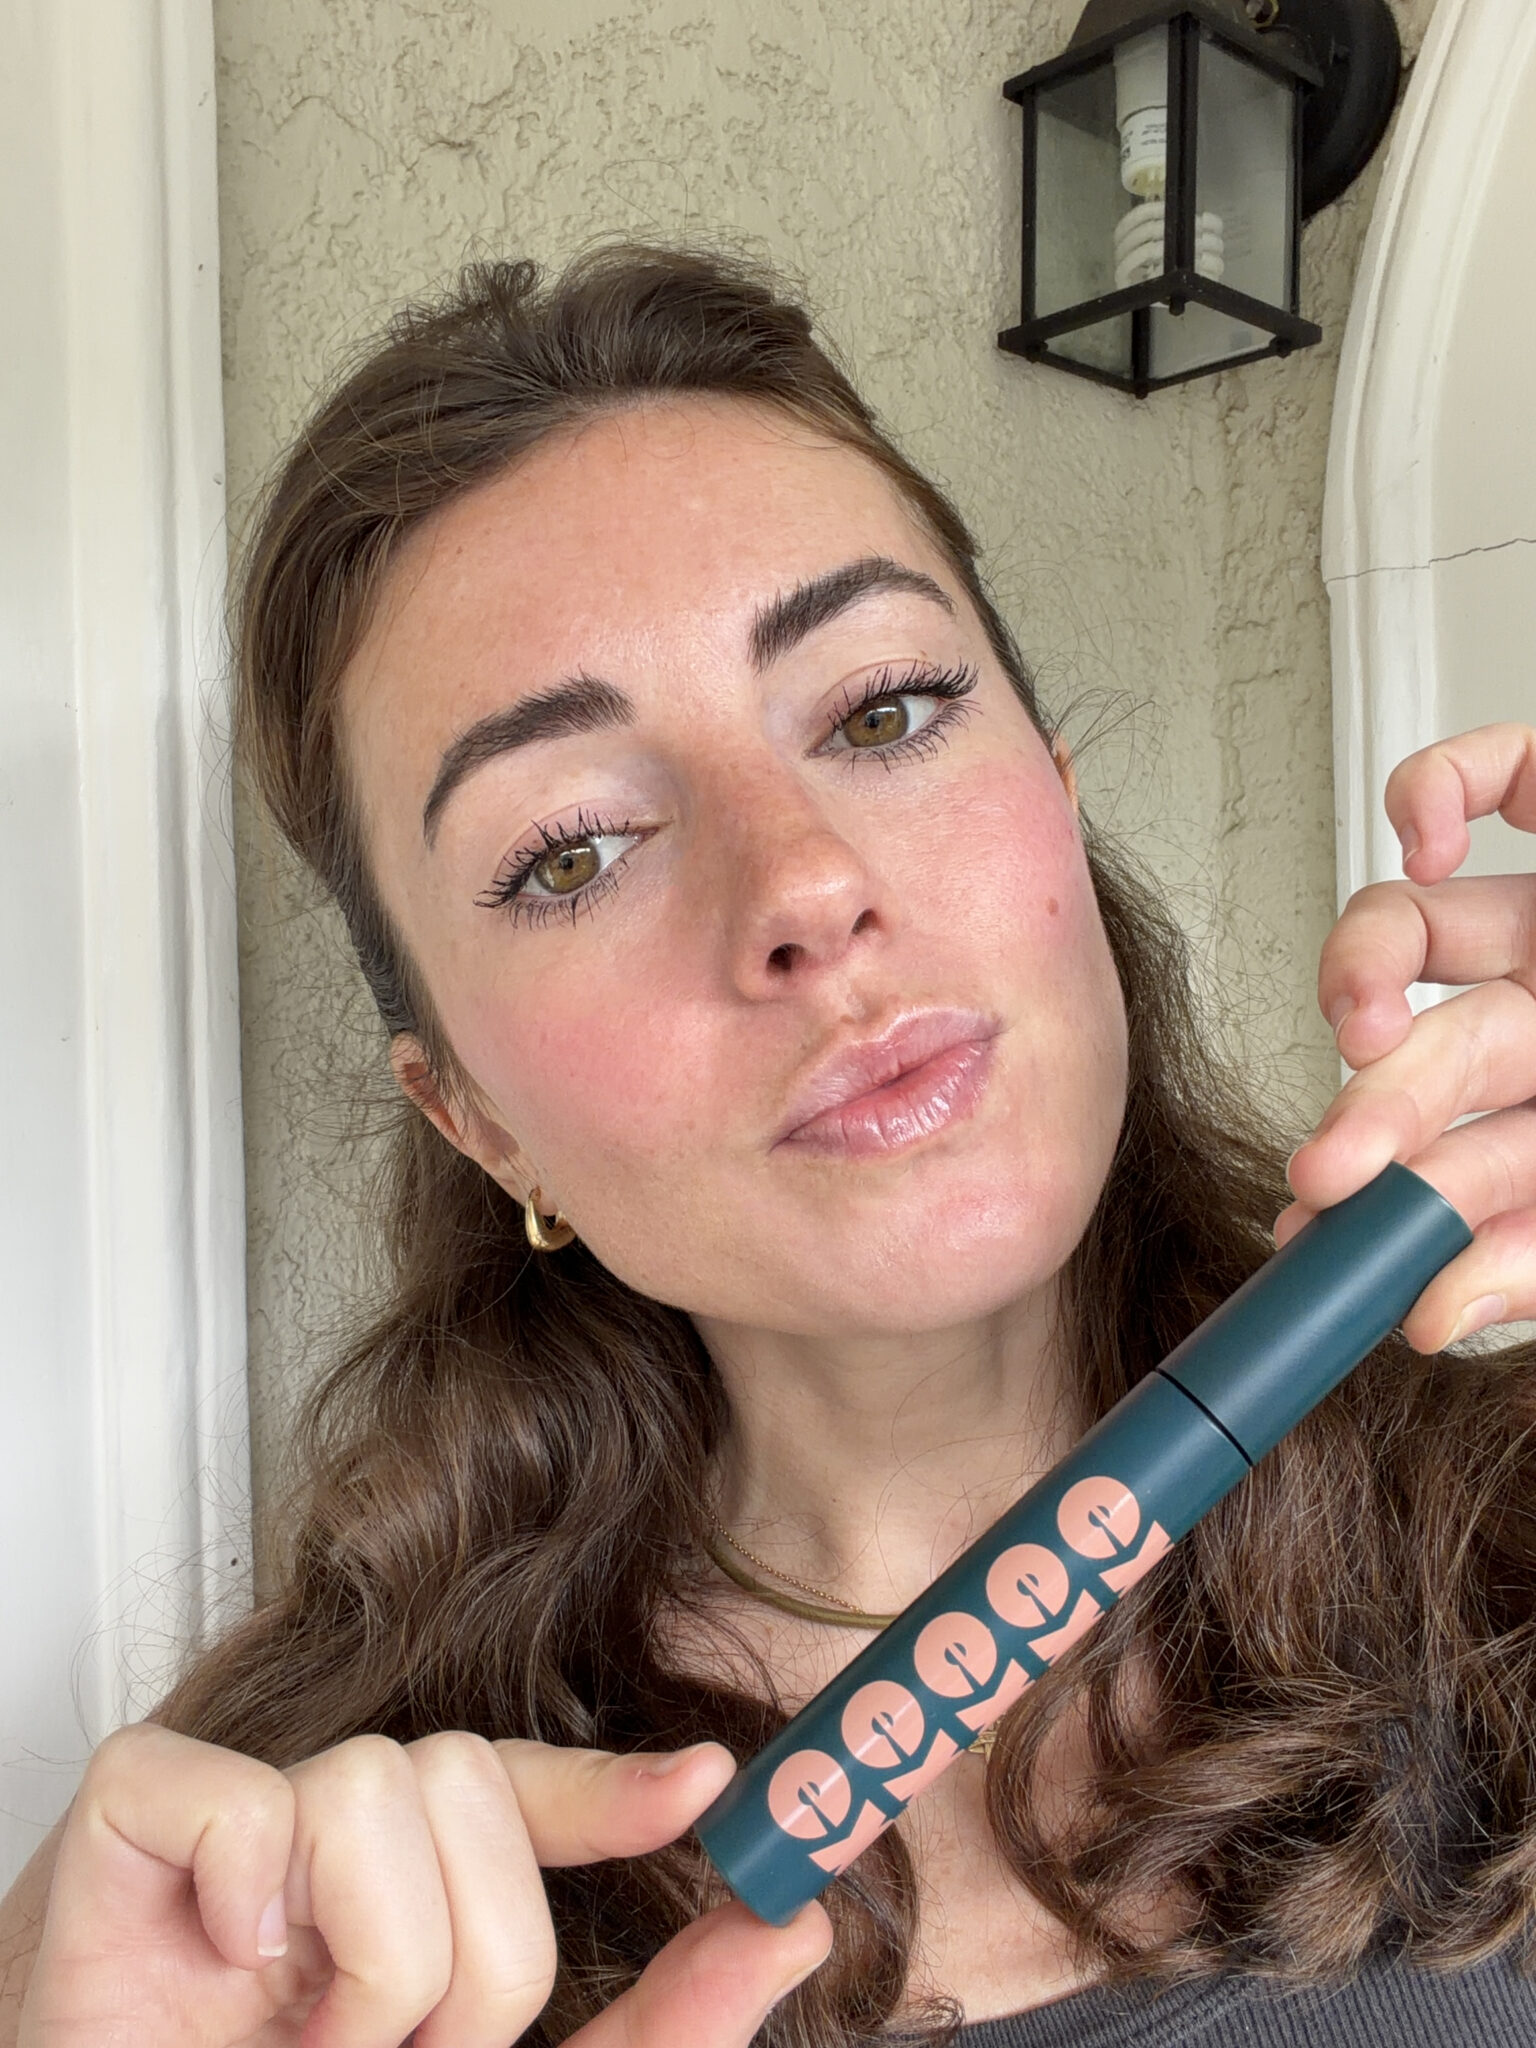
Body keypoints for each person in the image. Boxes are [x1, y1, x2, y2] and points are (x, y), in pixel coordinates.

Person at [3, 245, 1535, 2048]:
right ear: (477, 1120)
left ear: (1054, 789)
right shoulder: (293, 1908)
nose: (805, 885)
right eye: (571, 849)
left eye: (882, 711)